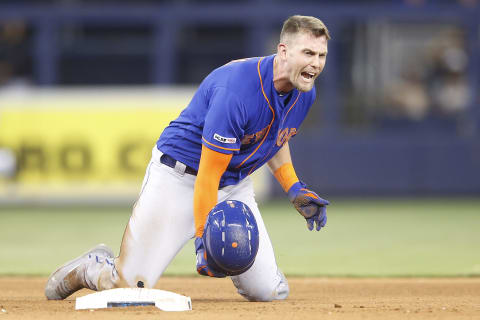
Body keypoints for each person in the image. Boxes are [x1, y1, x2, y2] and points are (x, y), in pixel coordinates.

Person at [45, 15, 331, 302]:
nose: (316, 63)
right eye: (308, 53)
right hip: (178, 178)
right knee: (127, 289)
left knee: (268, 292)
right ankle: (93, 267)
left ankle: (264, 276)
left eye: (321, 55)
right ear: (283, 51)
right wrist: (202, 239)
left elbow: (275, 138)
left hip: (233, 185)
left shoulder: (304, 92)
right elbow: (208, 173)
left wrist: (293, 187)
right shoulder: (237, 91)